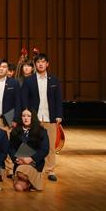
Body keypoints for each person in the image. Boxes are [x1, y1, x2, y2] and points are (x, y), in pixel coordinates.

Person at [21, 53, 63, 182]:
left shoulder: (54, 80)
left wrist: (59, 115)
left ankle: (50, 170)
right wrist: (26, 115)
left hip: (50, 117)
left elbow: (58, 99)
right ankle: (31, 167)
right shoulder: (29, 80)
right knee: (31, 143)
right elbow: (24, 99)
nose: (40, 64)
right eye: (38, 62)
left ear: (47, 64)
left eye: (43, 62)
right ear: (35, 64)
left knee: (50, 145)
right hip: (34, 118)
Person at [0, 58, 21, 174]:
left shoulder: (14, 83)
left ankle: (9, 169)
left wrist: (15, 118)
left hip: (8, 118)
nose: (1, 69)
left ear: (7, 69)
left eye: (4, 67)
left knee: (8, 144)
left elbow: (18, 102)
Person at [9, 109, 50, 191]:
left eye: (28, 116)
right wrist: (16, 158)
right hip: (20, 162)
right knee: (18, 188)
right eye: (23, 116)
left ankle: (32, 179)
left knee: (21, 173)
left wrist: (31, 158)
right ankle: (30, 183)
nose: (26, 118)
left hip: (34, 163)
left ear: (33, 117)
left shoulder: (41, 131)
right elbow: (11, 148)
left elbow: (45, 149)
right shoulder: (15, 130)